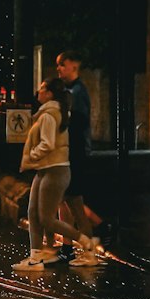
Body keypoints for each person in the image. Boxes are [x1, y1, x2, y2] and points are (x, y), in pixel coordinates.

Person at [13, 76, 100, 272]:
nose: (38, 92)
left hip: (54, 169)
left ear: (50, 93)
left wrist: (31, 156)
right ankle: (35, 258)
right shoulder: (48, 113)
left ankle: (84, 242)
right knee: (33, 213)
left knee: (46, 218)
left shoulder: (49, 114)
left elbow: (48, 143)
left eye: (42, 89)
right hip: (46, 169)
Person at [54, 49, 109, 252]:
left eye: (62, 64)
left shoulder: (77, 92)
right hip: (71, 153)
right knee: (69, 201)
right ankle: (72, 246)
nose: (59, 68)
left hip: (74, 154)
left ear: (74, 65)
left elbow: (78, 123)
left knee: (72, 201)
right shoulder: (71, 91)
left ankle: (84, 246)